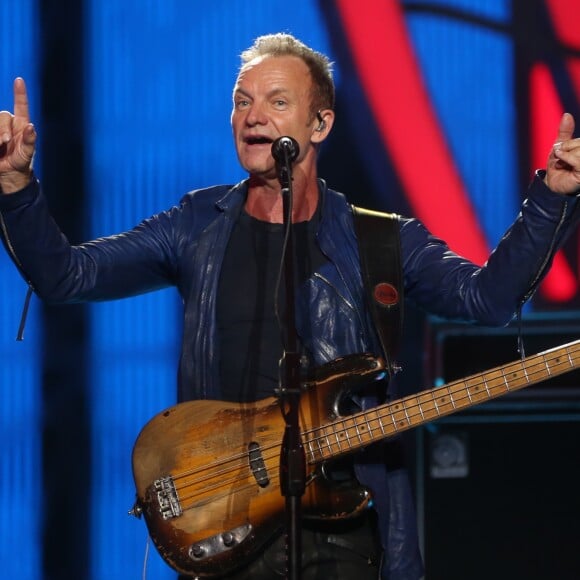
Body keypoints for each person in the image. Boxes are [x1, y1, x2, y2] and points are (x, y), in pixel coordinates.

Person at [1, 32, 580, 580]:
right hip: (226, 524)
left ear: (320, 123)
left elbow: (487, 298)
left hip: (345, 532)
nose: (253, 116)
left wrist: (551, 199)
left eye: (277, 101)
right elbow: (66, 275)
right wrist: (16, 188)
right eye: (242, 102)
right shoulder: (196, 226)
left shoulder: (380, 240)